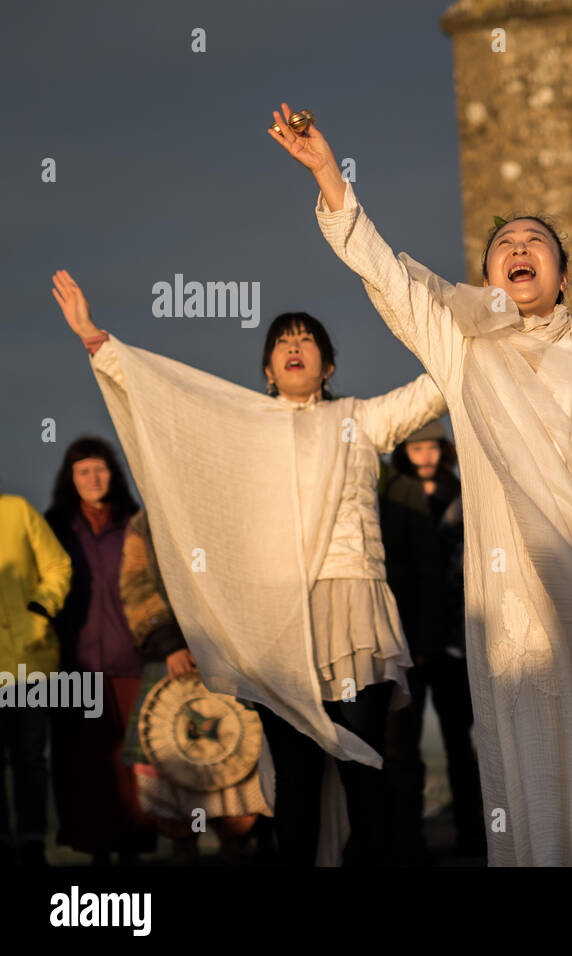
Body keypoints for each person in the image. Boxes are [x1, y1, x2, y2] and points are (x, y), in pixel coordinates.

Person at [274, 50, 572, 865]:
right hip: (510, 608)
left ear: (563, 278)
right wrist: (329, 175)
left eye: (537, 242)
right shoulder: (464, 355)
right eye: (504, 243)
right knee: (532, 768)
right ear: (487, 277)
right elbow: (389, 278)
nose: (520, 247)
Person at [51, 274, 446, 866]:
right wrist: (97, 341)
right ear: (266, 369)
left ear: (328, 365)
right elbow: (169, 399)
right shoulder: (243, 428)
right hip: (280, 623)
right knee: (296, 774)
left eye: (307, 339)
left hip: (352, 613)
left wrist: (473, 330)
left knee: (362, 762)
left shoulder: (360, 420)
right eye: (282, 341)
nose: (294, 346)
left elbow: (437, 387)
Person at [118, 509, 268, 864]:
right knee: (171, 770)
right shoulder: (146, 520)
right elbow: (136, 584)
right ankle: (184, 854)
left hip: (234, 656)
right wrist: (168, 642)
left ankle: (234, 851)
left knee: (239, 764)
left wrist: (235, 645)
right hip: (172, 659)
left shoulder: (236, 506)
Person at [45, 437, 156, 864]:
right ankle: (95, 851)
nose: (93, 478)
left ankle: (134, 847)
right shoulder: (54, 526)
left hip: (133, 661)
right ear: (70, 478)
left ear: (113, 472)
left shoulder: (136, 523)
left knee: (135, 762)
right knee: (85, 763)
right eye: (83, 471)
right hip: (75, 665)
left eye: (101, 468)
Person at [379, 420, 484, 860]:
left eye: (433, 446)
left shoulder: (465, 493)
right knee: (402, 745)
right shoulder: (389, 497)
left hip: (458, 639)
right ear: (404, 451)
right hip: (405, 637)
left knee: (462, 742)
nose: (425, 455)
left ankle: (474, 836)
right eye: (416, 447)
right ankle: (408, 840)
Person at [0, 490, 72, 867]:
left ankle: (31, 842)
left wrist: (42, 607)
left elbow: (58, 564)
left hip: (30, 662)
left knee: (30, 756)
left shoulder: (17, 511)